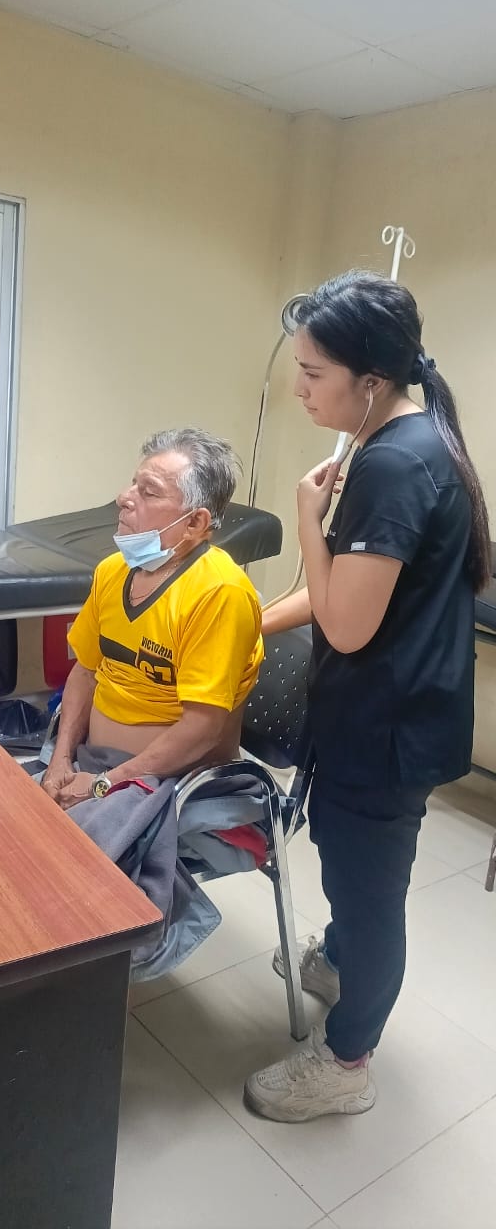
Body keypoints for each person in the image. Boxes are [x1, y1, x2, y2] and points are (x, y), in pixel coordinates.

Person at [244, 270, 491, 1123]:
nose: (300, 388)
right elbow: (344, 593)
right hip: (385, 711)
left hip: (386, 727)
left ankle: (348, 1060)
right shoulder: (405, 441)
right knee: (353, 871)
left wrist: (306, 520)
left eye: (314, 373)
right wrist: (250, 624)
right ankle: (342, 962)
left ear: (371, 379)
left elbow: (345, 625)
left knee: (370, 891)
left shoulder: (391, 464)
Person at [42, 427, 263, 808]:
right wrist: (60, 760)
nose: (124, 498)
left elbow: (202, 729)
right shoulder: (112, 571)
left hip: (172, 784)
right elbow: (85, 671)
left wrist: (102, 785)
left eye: (148, 492)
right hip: (93, 765)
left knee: (49, 841)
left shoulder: (219, 593)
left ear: (194, 523)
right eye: (133, 484)